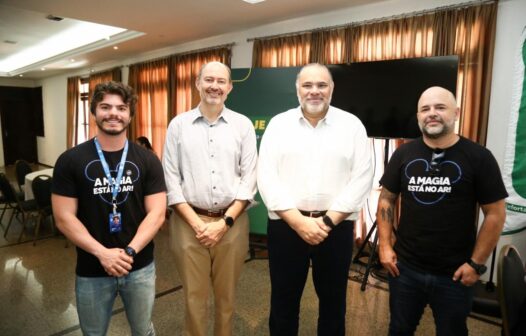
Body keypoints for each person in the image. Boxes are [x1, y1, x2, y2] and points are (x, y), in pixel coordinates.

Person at [377, 86, 508, 336]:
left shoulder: (479, 157)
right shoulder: (404, 153)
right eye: (425, 109)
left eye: (440, 107)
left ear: (456, 113)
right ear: (418, 117)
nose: (432, 113)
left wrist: (476, 264)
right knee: (399, 329)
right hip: (405, 270)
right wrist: (384, 246)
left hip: (456, 275)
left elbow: (495, 214)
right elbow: (386, 200)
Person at [257, 63, 374, 336]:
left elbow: (362, 178)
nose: (314, 91)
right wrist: (299, 223)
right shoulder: (278, 124)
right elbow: (266, 177)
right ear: (297, 89)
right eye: (307, 85)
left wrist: (327, 222)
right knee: (283, 302)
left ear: (332, 89)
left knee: (334, 305)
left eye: (321, 85)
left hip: (336, 228)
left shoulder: (352, 125)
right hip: (286, 226)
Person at [52, 81, 167, 336]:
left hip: (139, 266)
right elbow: (63, 217)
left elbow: (157, 213)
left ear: (130, 114)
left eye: (121, 108)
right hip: (92, 268)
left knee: (143, 331)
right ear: (94, 111)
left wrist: (128, 251)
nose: (113, 113)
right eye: (105, 107)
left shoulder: (148, 160)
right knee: (93, 333)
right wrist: (103, 254)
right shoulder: (70, 160)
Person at [162, 61, 257, 336]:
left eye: (221, 81)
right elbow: (171, 178)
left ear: (229, 87)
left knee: (227, 298)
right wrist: (197, 224)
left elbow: (248, 179)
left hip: (233, 223)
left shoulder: (243, 125)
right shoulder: (178, 125)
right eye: (208, 80)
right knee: (194, 298)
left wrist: (223, 223)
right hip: (187, 223)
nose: (214, 86)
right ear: (197, 83)